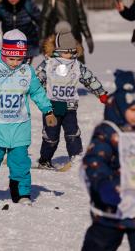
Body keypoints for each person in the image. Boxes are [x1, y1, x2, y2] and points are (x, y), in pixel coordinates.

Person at [81, 68, 135, 251]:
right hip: (112, 204)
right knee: (99, 244)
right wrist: (103, 184)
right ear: (121, 106)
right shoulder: (109, 131)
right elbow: (94, 160)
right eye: (133, 109)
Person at [0, 29, 56, 206]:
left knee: (20, 163)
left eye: (19, 59)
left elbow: (38, 92)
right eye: (11, 59)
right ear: (4, 53)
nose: (15, 63)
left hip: (19, 126)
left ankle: (21, 193)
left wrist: (48, 110)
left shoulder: (27, 71)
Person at [35, 22, 108, 169]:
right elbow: (35, 80)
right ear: (57, 50)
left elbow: (89, 79)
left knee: (73, 133)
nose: (69, 55)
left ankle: (76, 158)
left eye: (71, 51)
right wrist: (32, 91)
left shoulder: (76, 65)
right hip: (51, 108)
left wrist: (101, 93)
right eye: (65, 52)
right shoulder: (48, 64)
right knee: (51, 136)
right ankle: (45, 159)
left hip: (70, 107)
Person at [40, 0, 94, 64]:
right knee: (58, 69)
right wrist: (42, 39)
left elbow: (82, 19)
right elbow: (45, 19)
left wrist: (88, 37)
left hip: (74, 39)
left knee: (79, 69)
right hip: (57, 41)